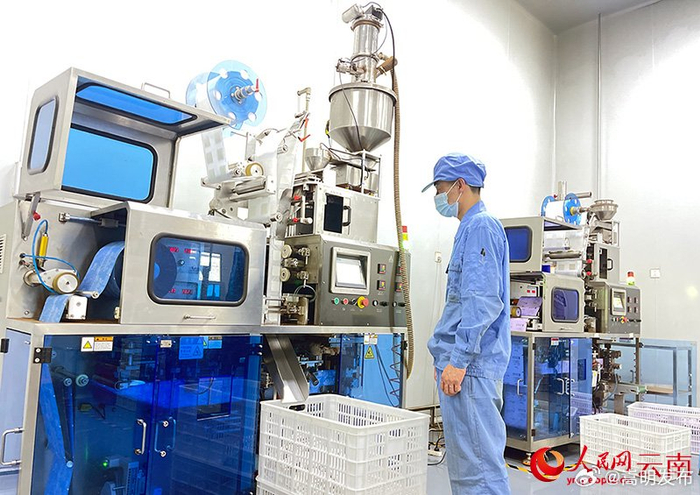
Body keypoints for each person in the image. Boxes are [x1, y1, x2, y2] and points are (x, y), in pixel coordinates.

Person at [422, 153, 511, 495]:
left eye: (440, 189)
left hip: (471, 369)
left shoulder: (481, 227)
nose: (438, 197)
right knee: (467, 467)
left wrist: (458, 362)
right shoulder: (469, 229)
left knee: (479, 472)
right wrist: (445, 359)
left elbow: (481, 302)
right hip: (462, 367)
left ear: (460, 186)